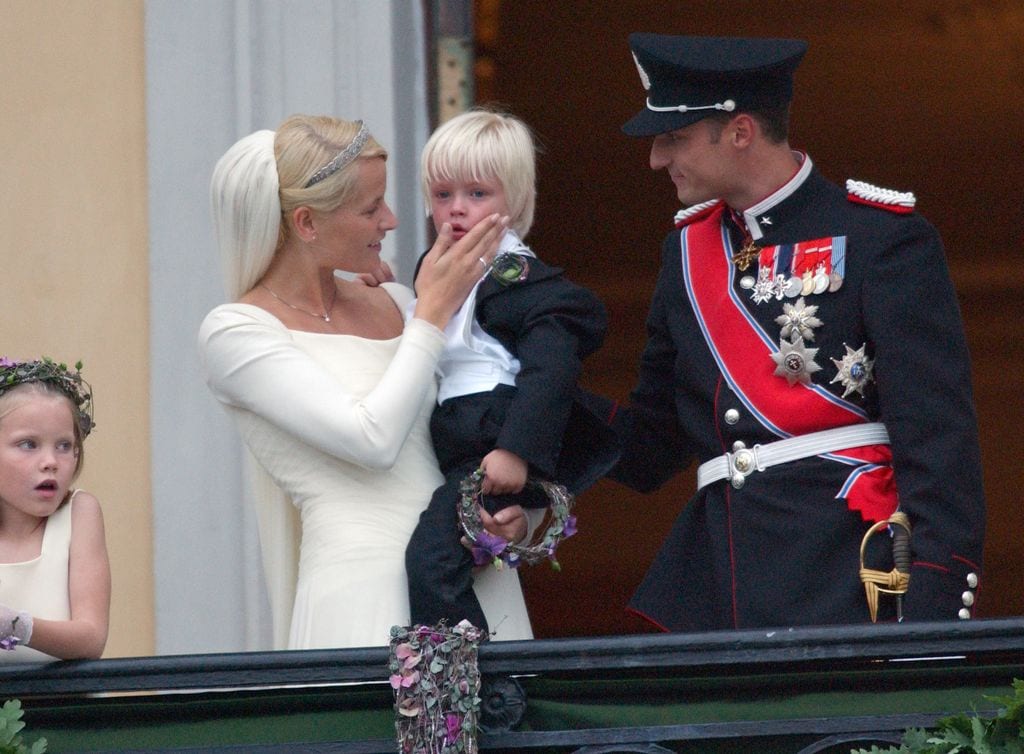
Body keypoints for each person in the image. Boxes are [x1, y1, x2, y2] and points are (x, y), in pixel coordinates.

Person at [582, 34, 985, 632]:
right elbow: (652, 446)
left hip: (845, 582)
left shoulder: (880, 238)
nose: (657, 160)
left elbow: (938, 444)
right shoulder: (686, 255)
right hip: (723, 590)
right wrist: (528, 388)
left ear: (740, 131)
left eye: (673, 139)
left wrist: (928, 614)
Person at [198, 114, 534, 650]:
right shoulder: (236, 332)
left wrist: (511, 518)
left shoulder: (401, 302)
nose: (394, 220)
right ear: (306, 223)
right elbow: (371, 441)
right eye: (370, 207)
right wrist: (431, 315)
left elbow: (475, 429)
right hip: (364, 596)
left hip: (472, 577)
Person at [403, 109, 618, 633]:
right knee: (445, 560)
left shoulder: (525, 282)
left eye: (477, 194)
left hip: (490, 444)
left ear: (515, 201)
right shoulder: (433, 267)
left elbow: (550, 371)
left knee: (431, 563)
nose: (456, 210)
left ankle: (465, 690)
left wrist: (517, 451)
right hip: (455, 446)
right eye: (442, 194)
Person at [0, 357, 110, 662]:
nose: (51, 461)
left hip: (64, 710)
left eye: (64, 445)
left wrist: (13, 625)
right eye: (28, 444)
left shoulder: (79, 513)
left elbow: (91, 639)